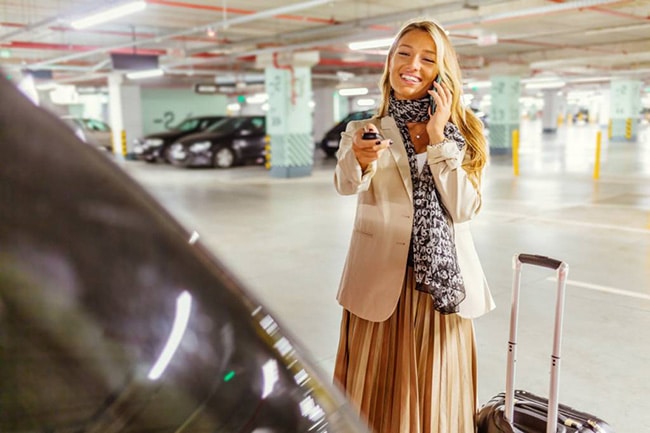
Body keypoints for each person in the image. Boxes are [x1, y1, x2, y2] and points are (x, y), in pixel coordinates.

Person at [332, 18, 495, 433]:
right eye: (403, 53)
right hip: (379, 284)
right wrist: (362, 159)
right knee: (373, 396)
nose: (412, 65)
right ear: (389, 63)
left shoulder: (464, 133)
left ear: (442, 70)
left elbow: (464, 208)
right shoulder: (362, 130)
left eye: (427, 58)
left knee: (436, 400)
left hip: (441, 291)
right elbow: (346, 183)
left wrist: (438, 138)